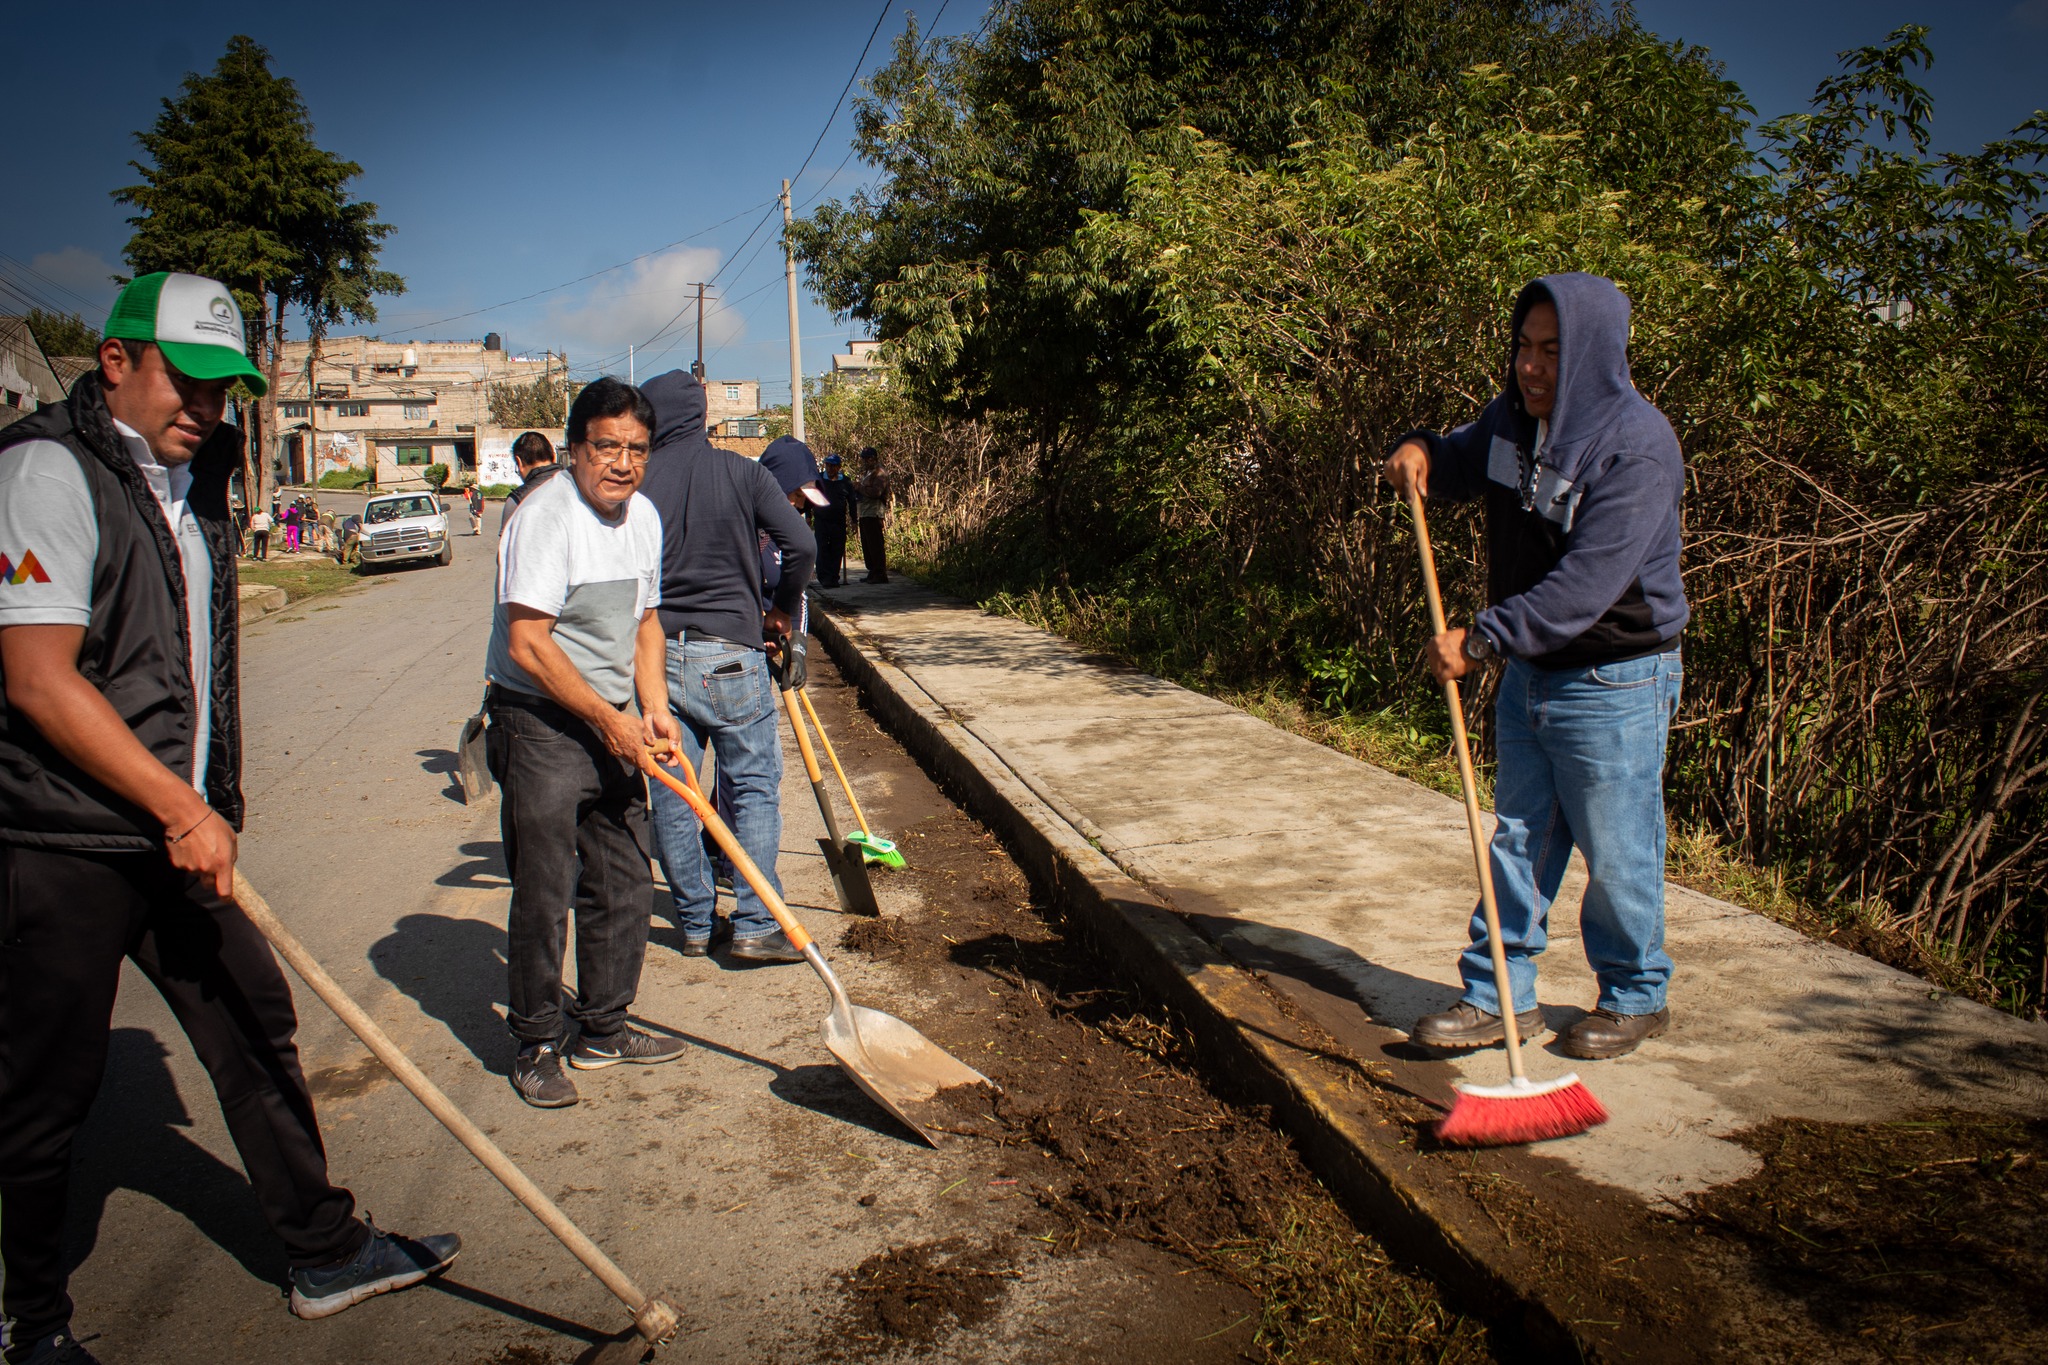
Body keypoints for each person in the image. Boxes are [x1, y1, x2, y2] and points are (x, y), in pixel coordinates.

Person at [0, 272, 459, 1365]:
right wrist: (176, 802)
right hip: (60, 843)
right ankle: (31, 1321)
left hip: (170, 832)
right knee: (42, 1092)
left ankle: (324, 1247)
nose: (206, 408)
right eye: (187, 381)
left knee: (257, 1022)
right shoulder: (44, 473)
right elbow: (37, 678)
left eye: (225, 390)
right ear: (114, 362)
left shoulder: (191, 484)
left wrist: (203, 801)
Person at [1383, 271, 1688, 1062]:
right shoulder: (1512, 423)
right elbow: (1458, 458)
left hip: (1614, 676)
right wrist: (1422, 452)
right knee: (1517, 838)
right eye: (1524, 346)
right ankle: (1497, 995)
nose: (1532, 366)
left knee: (1617, 849)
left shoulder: (1637, 447)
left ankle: (1634, 994)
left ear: (1592, 353)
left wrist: (1480, 640)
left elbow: (1584, 587)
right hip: (1532, 673)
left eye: (1552, 350)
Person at [482, 377, 687, 1109]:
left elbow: (645, 625)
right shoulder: (546, 518)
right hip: (540, 720)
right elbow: (529, 643)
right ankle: (535, 1040)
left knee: (627, 873)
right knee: (544, 885)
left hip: (614, 716)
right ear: (576, 448)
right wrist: (609, 720)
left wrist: (654, 709)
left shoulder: (645, 519)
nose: (623, 463)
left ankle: (604, 1022)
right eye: (607, 446)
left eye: (636, 449)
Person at [636, 371, 816, 961]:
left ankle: (693, 922)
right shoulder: (743, 473)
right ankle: (756, 923)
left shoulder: (636, 485)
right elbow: (803, 547)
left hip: (657, 656)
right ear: (703, 415)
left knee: (675, 790)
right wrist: (782, 613)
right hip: (732, 654)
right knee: (754, 786)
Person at [500, 430, 562, 535]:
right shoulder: (579, 487)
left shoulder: (517, 500)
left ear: (519, 462)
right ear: (553, 457)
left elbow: (505, 549)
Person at [811, 453, 856, 587]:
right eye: (828, 465)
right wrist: (808, 516)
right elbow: (810, 497)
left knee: (837, 549)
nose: (830, 469)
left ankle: (833, 577)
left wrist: (854, 520)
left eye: (833, 466)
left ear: (839, 467)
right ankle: (824, 577)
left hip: (838, 521)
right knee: (822, 548)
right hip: (821, 520)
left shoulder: (846, 482)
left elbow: (852, 502)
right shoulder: (818, 479)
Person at [854, 446, 891, 583]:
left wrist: (859, 487)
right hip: (864, 512)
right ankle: (872, 571)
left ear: (874, 458)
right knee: (867, 544)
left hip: (873, 512)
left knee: (875, 544)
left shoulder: (880, 473)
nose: (866, 461)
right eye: (864, 459)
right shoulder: (868, 473)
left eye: (868, 458)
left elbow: (877, 492)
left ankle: (880, 573)